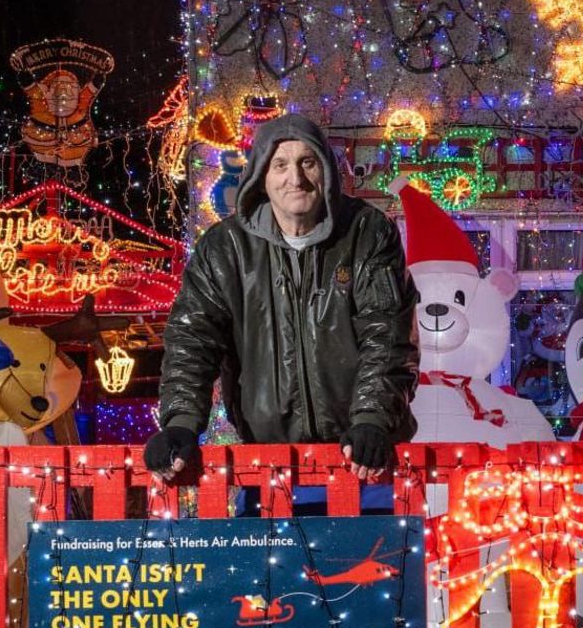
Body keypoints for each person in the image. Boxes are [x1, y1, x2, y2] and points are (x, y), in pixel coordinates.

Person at [145, 113, 419, 488]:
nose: (296, 178)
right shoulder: (225, 249)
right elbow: (192, 342)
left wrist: (372, 418)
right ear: (261, 176)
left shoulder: (366, 233)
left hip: (362, 460)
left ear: (325, 169)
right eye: (280, 165)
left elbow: (387, 333)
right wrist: (180, 424)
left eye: (307, 162)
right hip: (267, 464)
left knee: (374, 550)